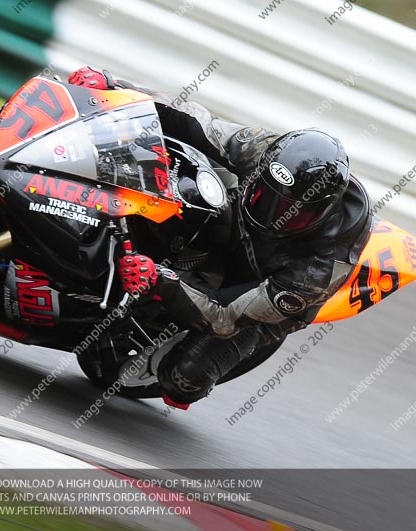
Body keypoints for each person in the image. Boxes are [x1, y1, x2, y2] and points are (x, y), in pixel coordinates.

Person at [68, 67, 373, 409]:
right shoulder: (267, 150)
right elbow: (198, 123)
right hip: (236, 223)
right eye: (265, 193)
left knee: (183, 377)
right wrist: (115, 90)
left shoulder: (315, 269)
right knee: (184, 177)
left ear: (320, 213)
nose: (273, 213)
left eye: (292, 211)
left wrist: (161, 282)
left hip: (259, 291)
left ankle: (178, 363)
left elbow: (225, 315)